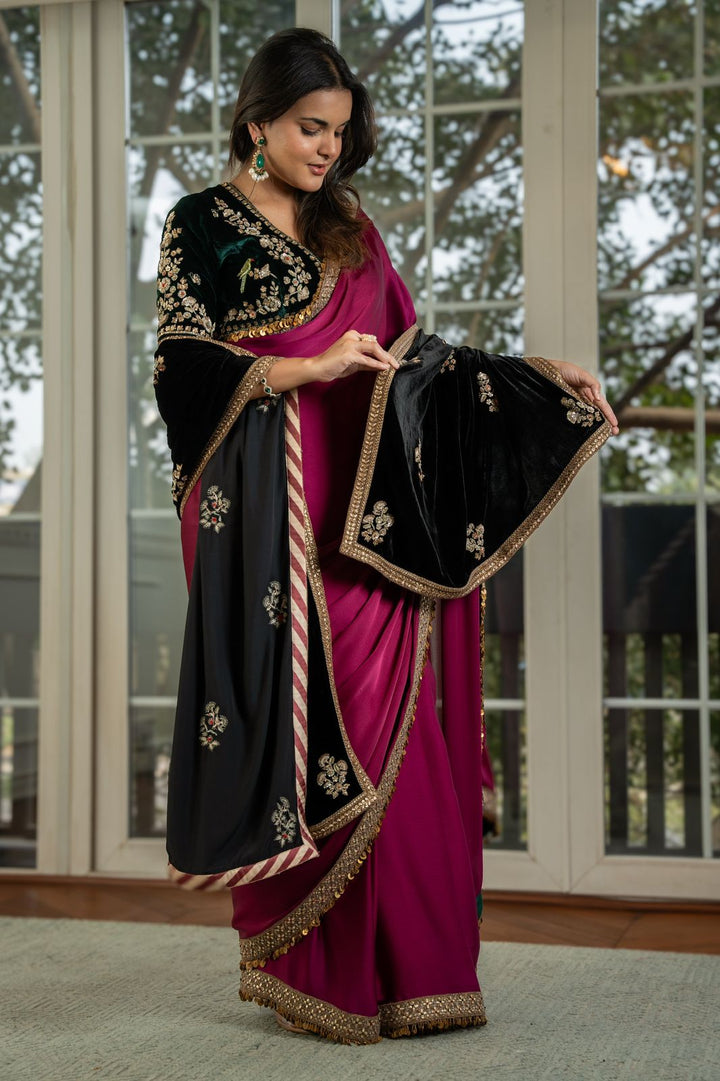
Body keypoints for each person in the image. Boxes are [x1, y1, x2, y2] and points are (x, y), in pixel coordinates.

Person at [154, 27, 618, 1045]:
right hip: (273, 522)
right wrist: (304, 368)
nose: (327, 148)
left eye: (339, 131)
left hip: (373, 512)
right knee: (308, 729)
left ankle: (415, 974)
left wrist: (538, 371)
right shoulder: (202, 225)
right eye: (309, 128)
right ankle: (321, 973)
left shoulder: (349, 227)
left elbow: (418, 362)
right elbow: (180, 370)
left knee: (389, 733)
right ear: (257, 122)